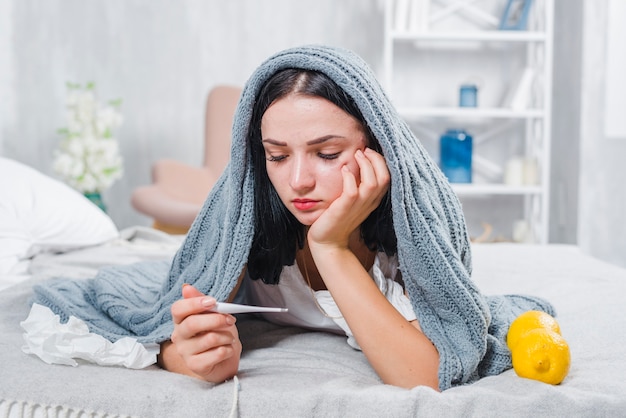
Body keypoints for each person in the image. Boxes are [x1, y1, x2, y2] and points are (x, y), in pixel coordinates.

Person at [32, 45, 554, 392]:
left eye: (327, 153)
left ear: (378, 149)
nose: (298, 181)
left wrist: (330, 248)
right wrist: (184, 356)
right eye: (277, 155)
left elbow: (424, 375)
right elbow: (175, 332)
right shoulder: (243, 214)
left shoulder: (411, 224)